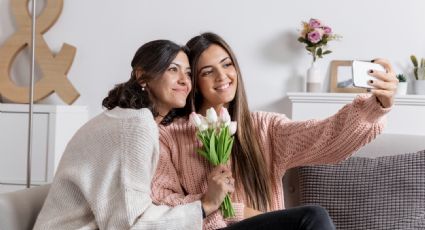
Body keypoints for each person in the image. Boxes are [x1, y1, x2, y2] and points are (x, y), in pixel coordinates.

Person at [151, 32, 398, 230]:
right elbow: (161, 204)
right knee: (312, 216)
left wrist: (376, 106)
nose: (222, 76)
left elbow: (327, 135)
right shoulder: (169, 136)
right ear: (195, 81)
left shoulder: (265, 128)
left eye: (227, 65)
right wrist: (215, 203)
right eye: (207, 72)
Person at [34, 39, 234, 230]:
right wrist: (206, 205)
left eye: (188, 73)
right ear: (142, 76)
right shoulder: (136, 125)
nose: (184, 81)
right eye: (173, 69)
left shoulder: (127, 119)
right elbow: (129, 224)